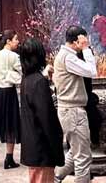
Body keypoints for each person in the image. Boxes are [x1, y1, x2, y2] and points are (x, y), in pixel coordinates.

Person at [52, 26, 97, 183]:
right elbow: (92, 71)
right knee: (83, 159)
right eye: (84, 40)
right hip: (73, 111)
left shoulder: (65, 55)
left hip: (70, 110)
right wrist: (86, 50)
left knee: (76, 151)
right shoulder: (69, 58)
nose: (86, 43)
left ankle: (55, 178)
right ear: (77, 41)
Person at [19, 37, 65, 183]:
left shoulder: (27, 80)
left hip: (32, 144)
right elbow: (46, 119)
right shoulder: (38, 82)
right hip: (41, 146)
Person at [0, 30, 22, 169]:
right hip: (8, 92)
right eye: (15, 39)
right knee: (10, 123)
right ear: (8, 41)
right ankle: (9, 159)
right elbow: (22, 71)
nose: (17, 42)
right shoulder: (14, 56)